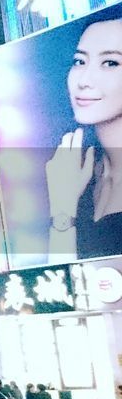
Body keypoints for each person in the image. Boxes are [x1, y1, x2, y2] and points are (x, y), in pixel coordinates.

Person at [45, 16, 122, 260]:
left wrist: (62, 211)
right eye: (80, 61)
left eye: (110, 63)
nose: (84, 81)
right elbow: (53, 287)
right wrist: (63, 203)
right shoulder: (73, 171)